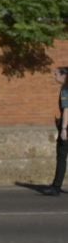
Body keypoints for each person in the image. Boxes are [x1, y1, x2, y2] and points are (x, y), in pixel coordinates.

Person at [46, 67, 68, 196]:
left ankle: (56, 187)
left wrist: (64, 128)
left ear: (64, 75)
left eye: (56, 74)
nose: (54, 77)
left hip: (67, 128)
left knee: (61, 157)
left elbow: (67, 110)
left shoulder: (65, 89)